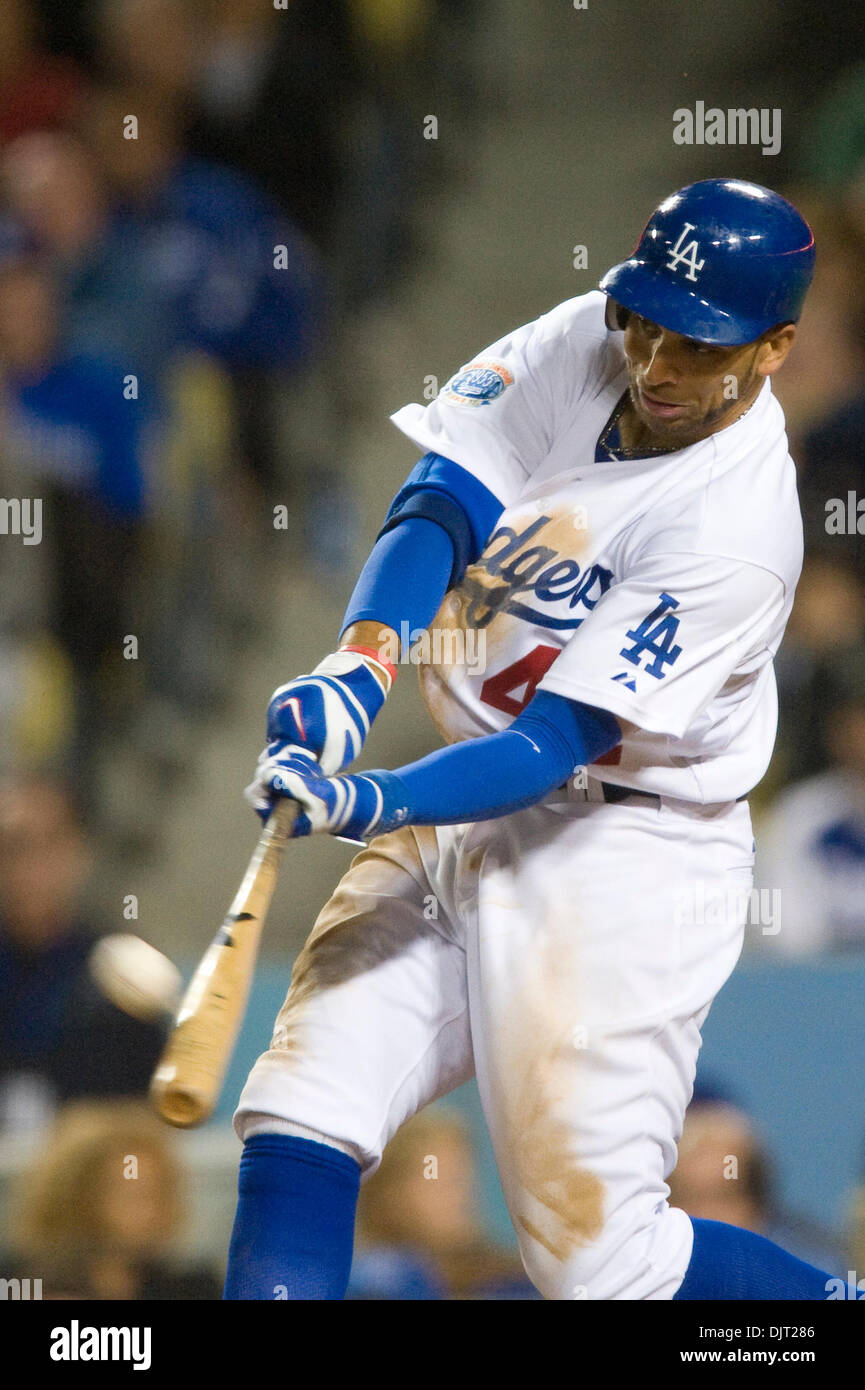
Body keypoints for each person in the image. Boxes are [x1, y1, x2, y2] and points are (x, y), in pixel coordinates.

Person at [222, 179, 851, 1300]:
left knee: (601, 1270)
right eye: (646, 322)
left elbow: (550, 746)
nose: (656, 362)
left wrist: (370, 799)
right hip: (460, 797)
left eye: (697, 346)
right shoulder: (587, 336)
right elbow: (440, 500)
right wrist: (357, 670)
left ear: (775, 348)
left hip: (623, 852)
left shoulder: (738, 528)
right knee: (299, 1106)